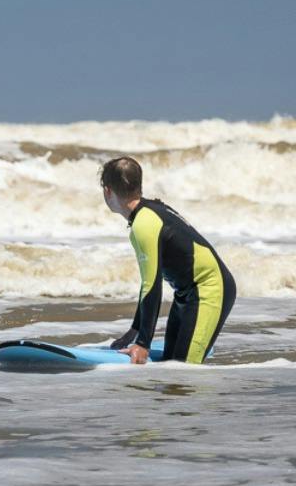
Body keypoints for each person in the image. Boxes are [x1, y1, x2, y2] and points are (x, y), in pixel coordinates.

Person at [100, 156, 235, 364]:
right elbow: (150, 284)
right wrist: (135, 331)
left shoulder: (144, 223)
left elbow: (151, 285)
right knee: (170, 366)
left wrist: (143, 343)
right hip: (188, 293)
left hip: (209, 290)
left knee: (184, 373)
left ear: (108, 191)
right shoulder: (150, 212)